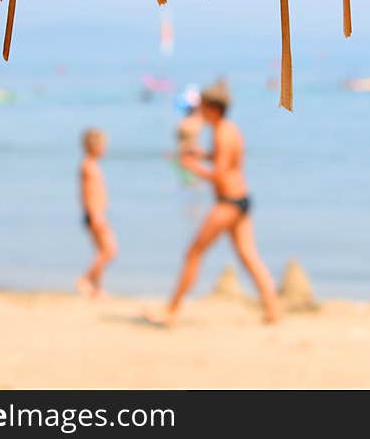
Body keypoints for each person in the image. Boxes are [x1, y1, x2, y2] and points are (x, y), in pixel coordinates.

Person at [145, 80, 280, 325]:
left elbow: (219, 174)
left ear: (213, 109)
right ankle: (273, 309)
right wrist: (202, 155)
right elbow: (225, 162)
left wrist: (191, 166)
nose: (200, 113)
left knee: (194, 252)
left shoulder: (221, 134)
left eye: (203, 108)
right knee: (249, 257)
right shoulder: (229, 129)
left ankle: (171, 310)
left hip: (228, 203)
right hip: (241, 199)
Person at [76, 128, 117, 298]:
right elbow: (87, 193)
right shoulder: (88, 166)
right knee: (110, 251)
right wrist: (95, 215)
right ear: (94, 146)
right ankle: (85, 279)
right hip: (95, 214)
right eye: (103, 145)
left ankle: (96, 288)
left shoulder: (92, 165)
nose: (105, 149)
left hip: (97, 213)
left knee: (101, 252)